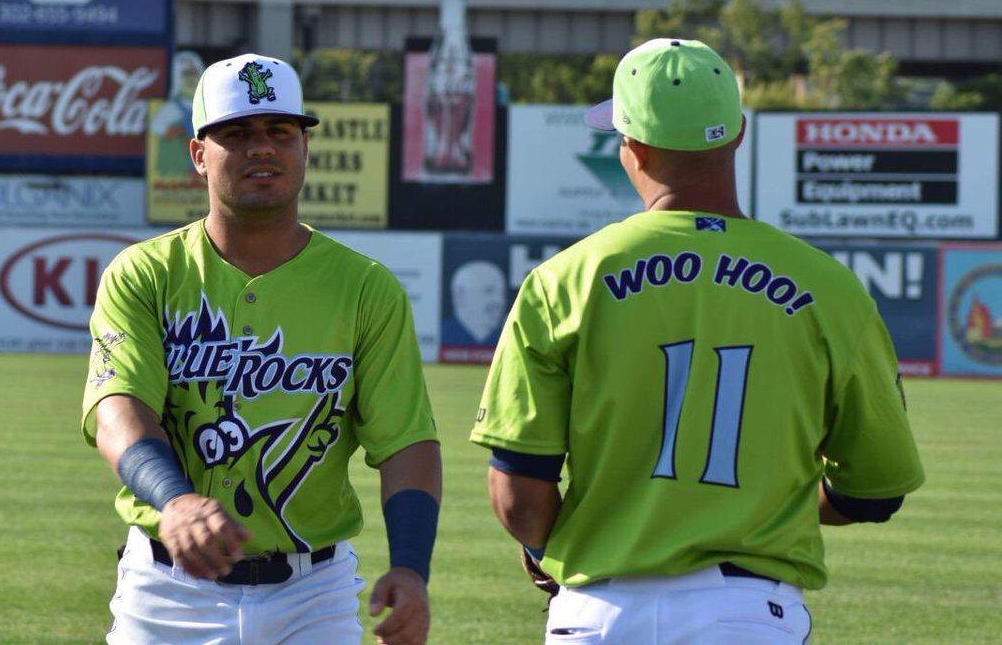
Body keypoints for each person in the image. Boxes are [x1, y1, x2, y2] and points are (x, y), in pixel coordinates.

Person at [470, 38, 925, 644]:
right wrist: (762, 508)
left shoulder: (563, 281)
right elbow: (876, 489)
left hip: (601, 614)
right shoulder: (832, 289)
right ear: (737, 135)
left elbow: (519, 500)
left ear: (628, 145)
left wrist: (548, 541)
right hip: (748, 613)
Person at [83, 53, 442, 645]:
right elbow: (118, 409)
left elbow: (406, 440)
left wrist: (411, 566)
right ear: (199, 154)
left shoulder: (364, 287)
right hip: (169, 591)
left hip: (313, 593)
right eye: (237, 133)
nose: (262, 148)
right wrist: (174, 502)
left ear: (305, 148)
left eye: (280, 131)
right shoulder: (145, 273)